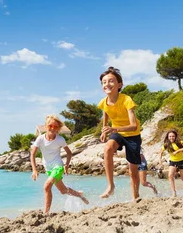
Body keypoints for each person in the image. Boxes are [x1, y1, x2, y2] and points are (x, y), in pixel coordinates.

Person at [97, 66, 142, 201]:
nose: (107, 84)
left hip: (132, 134)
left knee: (133, 171)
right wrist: (104, 130)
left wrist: (114, 129)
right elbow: (105, 113)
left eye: (111, 81)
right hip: (117, 133)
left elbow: (133, 126)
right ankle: (110, 186)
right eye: (104, 82)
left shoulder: (126, 99)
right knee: (108, 148)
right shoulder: (103, 103)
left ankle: (135, 197)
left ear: (119, 84)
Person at [30, 114, 89, 214]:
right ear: (45, 126)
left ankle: (46, 213)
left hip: (58, 166)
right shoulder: (40, 139)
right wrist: (34, 169)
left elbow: (69, 153)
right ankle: (79, 194)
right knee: (63, 190)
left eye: (55, 126)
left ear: (58, 128)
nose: (52, 128)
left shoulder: (60, 139)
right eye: (50, 126)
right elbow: (33, 154)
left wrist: (66, 165)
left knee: (46, 186)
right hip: (48, 168)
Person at [159, 129, 183, 197]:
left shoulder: (179, 142)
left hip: (181, 161)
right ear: (167, 137)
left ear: (175, 137)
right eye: (170, 136)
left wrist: (178, 150)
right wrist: (160, 160)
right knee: (170, 175)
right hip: (173, 161)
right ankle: (174, 192)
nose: (171, 138)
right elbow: (161, 151)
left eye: (173, 136)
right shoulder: (166, 144)